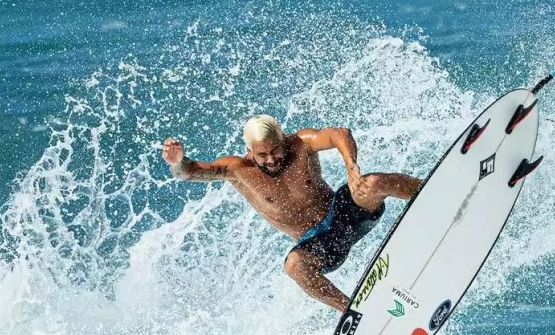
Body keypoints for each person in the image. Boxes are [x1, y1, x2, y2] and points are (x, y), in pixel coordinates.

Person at [162, 115, 422, 313]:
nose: (271, 158)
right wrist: (178, 162)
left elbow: (338, 134)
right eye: (262, 154)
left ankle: (428, 189)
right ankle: (353, 312)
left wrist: (351, 166)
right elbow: (191, 171)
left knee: (372, 183)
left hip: (343, 214)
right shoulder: (237, 170)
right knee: (295, 266)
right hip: (321, 244)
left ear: (282, 138)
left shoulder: (300, 145)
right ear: (250, 150)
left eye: (275, 149)